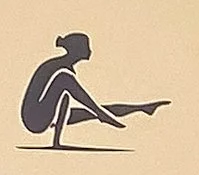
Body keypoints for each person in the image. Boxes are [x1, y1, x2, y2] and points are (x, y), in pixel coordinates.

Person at [18, 34, 169, 147]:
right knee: (64, 81)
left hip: (45, 115)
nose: (90, 50)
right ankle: (100, 114)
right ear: (77, 50)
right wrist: (97, 110)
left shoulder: (62, 67)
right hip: (34, 120)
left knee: (93, 108)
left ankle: (141, 108)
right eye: (86, 47)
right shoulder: (59, 68)